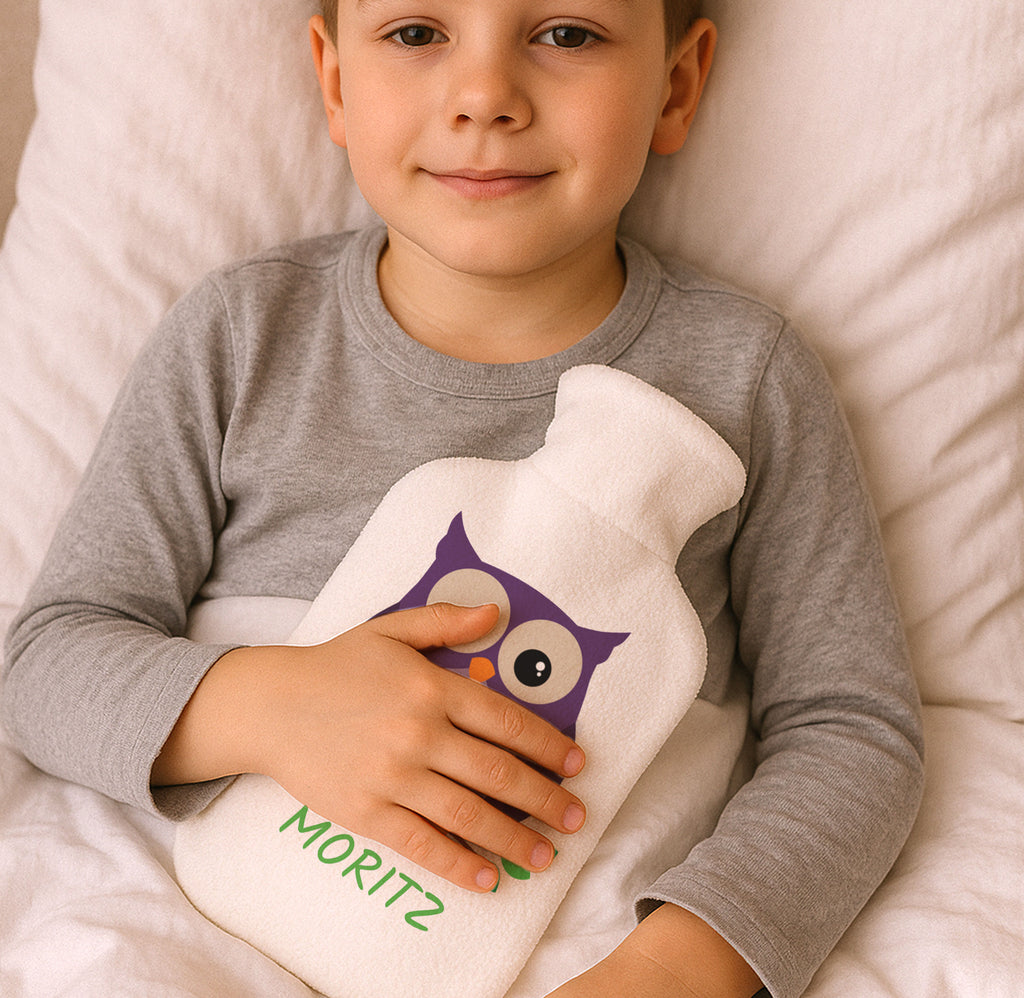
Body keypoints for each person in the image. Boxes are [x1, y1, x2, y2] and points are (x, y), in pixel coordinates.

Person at [2, 1, 925, 996]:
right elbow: (47, 662)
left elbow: (850, 729)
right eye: (416, 33)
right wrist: (272, 707)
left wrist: (675, 964)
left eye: (566, 34)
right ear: (336, 81)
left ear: (675, 84)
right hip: (204, 924)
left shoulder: (745, 378)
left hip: (571, 948)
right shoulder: (243, 336)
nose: (485, 96)